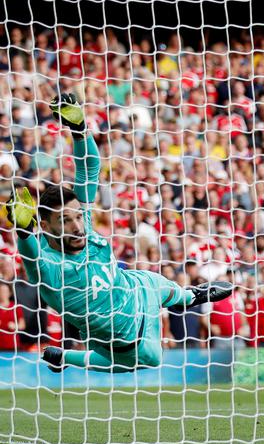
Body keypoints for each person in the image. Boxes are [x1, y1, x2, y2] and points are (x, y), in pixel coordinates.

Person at [11, 95, 232, 373]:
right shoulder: (51, 268)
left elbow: (89, 169)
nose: (78, 226)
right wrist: (22, 230)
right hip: (128, 338)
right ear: (46, 226)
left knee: (158, 285)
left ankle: (192, 296)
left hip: (139, 287)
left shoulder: (84, 225)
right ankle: (66, 357)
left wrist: (80, 130)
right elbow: (31, 258)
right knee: (150, 360)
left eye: (78, 216)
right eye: (65, 221)